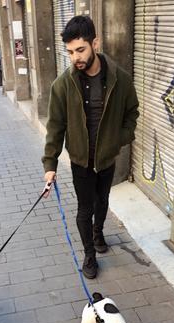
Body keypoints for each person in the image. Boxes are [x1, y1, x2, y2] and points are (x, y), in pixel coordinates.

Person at [42, 15, 139, 279]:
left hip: (106, 158)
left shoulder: (120, 79)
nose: (76, 57)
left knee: (103, 202)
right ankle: (89, 254)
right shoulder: (62, 85)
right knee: (85, 208)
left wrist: (119, 139)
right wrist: (50, 165)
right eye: (71, 52)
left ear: (95, 43)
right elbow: (55, 127)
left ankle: (98, 234)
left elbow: (132, 113)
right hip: (81, 161)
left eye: (81, 49)